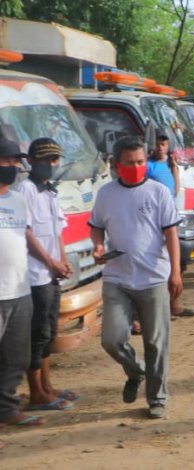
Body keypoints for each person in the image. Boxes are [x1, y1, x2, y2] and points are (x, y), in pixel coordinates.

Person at [91, 137, 183, 420]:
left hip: (153, 277)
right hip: (117, 278)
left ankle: (157, 399)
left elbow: (171, 234)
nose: (137, 166)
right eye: (130, 163)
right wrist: (97, 246)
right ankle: (136, 371)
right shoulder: (106, 194)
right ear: (116, 165)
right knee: (112, 338)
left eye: (141, 161)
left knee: (157, 342)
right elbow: (96, 227)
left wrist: (175, 272)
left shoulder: (158, 192)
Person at [19, 139, 77, 411]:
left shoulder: (50, 192)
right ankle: (36, 393)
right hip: (36, 276)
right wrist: (51, 262)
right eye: (46, 160)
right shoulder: (26, 190)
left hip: (51, 275)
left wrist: (62, 261)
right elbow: (27, 234)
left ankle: (47, 386)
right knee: (37, 334)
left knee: (48, 333)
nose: (52, 165)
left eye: (55, 159)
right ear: (31, 161)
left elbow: (57, 231)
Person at [0, 139, 44, 428]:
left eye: (16, 162)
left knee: (17, 357)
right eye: (8, 161)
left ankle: (6, 409)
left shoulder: (17, 199)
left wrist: (51, 263)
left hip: (19, 290)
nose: (14, 167)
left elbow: (25, 238)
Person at [148, 135, 194, 319]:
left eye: (164, 144)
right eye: (157, 144)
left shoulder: (168, 165)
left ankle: (174, 304)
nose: (160, 148)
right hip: (154, 223)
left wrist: (174, 168)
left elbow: (174, 190)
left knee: (178, 264)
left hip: (170, 221)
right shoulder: (147, 166)